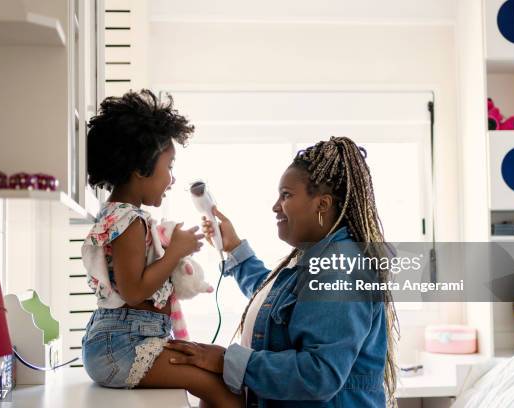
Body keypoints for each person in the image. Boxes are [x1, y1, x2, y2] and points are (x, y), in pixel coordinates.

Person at [165, 136, 398, 407]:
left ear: (322, 205)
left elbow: (318, 374)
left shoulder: (339, 268)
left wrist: (224, 360)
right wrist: (235, 249)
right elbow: (276, 305)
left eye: (286, 195)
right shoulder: (315, 258)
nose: (276, 206)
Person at [81, 90, 242, 407]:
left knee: (218, 379)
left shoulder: (120, 216)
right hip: (123, 348)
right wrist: (174, 253)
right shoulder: (129, 221)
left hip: (128, 342)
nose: (172, 179)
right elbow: (133, 291)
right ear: (140, 169)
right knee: (221, 388)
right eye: (169, 167)